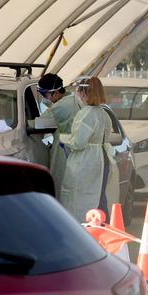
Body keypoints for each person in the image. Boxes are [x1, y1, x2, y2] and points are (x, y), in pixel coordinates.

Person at [59, 77, 114, 223]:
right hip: (102, 159)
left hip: (87, 161)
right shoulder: (103, 113)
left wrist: (61, 138)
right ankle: (103, 230)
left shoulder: (87, 113)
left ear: (84, 93)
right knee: (99, 198)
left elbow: (78, 142)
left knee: (80, 198)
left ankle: (82, 231)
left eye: (78, 92)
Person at [37, 73, 83, 197]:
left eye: (45, 95)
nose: (44, 99)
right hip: (76, 151)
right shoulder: (73, 98)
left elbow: (38, 125)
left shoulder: (60, 107)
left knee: (61, 187)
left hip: (65, 151)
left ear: (56, 92)